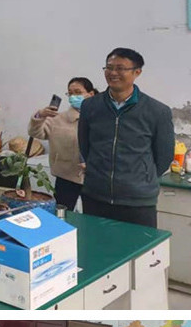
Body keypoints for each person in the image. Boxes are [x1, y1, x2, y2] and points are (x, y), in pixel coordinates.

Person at [79, 47, 175, 227]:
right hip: (95, 196)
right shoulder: (90, 106)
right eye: (109, 67)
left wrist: (141, 177)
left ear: (137, 72)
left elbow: (164, 156)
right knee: (96, 243)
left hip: (138, 201)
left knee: (140, 245)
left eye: (120, 68)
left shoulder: (157, 111)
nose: (113, 73)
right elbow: (85, 145)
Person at [28, 77, 96, 210]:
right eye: (70, 93)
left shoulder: (101, 118)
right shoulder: (58, 119)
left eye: (78, 92)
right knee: (61, 213)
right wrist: (40, 116)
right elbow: (36, 132)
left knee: (92, 215)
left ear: (90, 94)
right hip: (66, 176)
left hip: (95, 177)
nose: (73, 97)